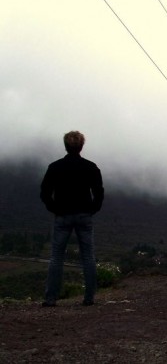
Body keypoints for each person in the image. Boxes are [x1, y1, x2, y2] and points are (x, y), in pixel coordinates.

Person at [40, 131, 104, 307]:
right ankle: (89, 298)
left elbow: (45, 192)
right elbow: (99, 192)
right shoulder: (91, 167)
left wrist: (54, 208)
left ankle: (50, 298)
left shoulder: (55, 167)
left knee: (56, 258)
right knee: (88, 257)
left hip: (62, 216)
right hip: (84, 216)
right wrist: (92, 210)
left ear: (65, 146)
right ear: (81, 146)